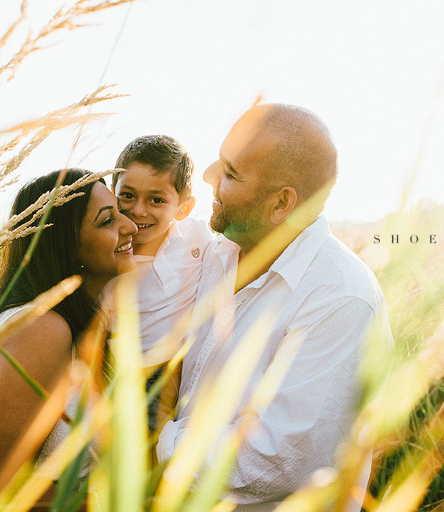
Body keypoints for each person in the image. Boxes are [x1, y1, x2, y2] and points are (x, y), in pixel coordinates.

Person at [156, 104, 393, 510]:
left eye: (230, 173)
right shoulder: (215, 254)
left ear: (281, 203)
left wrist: (161, 442)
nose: (210, 175)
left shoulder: (340, 298)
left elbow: (276, 459)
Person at [0, 169, 137, 511]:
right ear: (67, 246)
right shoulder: (41, 328)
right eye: (107, 220)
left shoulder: (74, 321)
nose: (130, 226)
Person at [110, 135, 212, 431]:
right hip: (112, 368)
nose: (138, 210)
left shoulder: (197, 239)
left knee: (153, 451)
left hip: (167, 374)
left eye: (156, 200)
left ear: (183, 208)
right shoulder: (105, 245)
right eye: (127, 195)